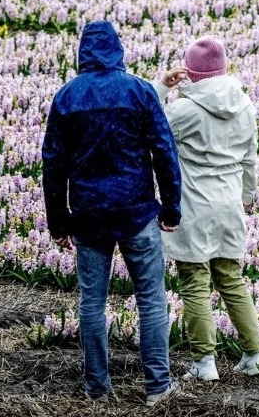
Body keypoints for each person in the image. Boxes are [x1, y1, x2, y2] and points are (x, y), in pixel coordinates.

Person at [41, 20, 182, 406]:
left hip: (88, 214)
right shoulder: (137, 90)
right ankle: (158, 387)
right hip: (136, 211)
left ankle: (97, 389)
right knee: (151, 299)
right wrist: (172, 208)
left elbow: (52, 164)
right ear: (118, 49)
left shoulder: (67, 97)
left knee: (92, 303)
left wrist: (58, 222)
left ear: (82, 52)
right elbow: (164, 152)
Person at [154, 35, 259, 381]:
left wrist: (160, 88)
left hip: (195, 204)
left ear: (190, 72)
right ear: (224, 68)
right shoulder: (244, 105)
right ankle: (253, 355)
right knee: (232, 279)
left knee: (194, 282)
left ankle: (205, 363)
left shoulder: (184, 109)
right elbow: (250, 158)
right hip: (230, 202)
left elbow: (152, 129)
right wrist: (248, 196)